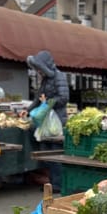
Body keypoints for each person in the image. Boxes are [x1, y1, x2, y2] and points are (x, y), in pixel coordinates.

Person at [26, 50, 70, 191]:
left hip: (57, 121)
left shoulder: (59, 77)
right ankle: (51, 184)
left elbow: (63, 97)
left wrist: (48, 103)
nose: (38, 71)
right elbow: (38, 99)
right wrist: (27, 111)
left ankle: (58, 184)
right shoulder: (45, 79)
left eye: (39, 68)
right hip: (46, 122)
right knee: (47, 156)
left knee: (56, 154)